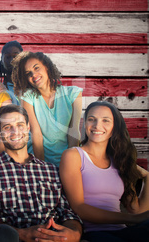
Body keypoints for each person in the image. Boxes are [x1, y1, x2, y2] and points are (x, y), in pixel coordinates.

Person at [0, 104, 83, 242]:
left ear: (28, 127)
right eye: (7, 127)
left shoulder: (50, 170)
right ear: (0, 133)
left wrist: (74, 233)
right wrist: (22, 233)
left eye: (20, 125)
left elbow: (67, 213)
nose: (15, 131)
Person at [60, 101, 149, 241]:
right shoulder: (74, 155)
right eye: (91, 119)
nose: (97, 125)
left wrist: (147, 177)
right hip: (94, 233)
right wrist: (134, 219)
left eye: (105, 120)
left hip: (123, 231)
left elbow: (136, 210)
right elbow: (79, 208)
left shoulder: (119, 161)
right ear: (85, 124)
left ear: (115, 127)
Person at [12, 51, 83, 167]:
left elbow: (74, 131)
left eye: (36, 68)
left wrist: (70, 164)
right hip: (39, 157)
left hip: (68, 157)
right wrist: (43, 167)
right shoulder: (27, 97)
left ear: (47, 67)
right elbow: (36, 134)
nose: (33, 75)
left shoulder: (73, 93)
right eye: (28, 73)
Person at [0, 40, 23, 104]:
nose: (12, 60)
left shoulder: (33, 85)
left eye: (15, 56)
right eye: (7, 57)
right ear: (2, 61)